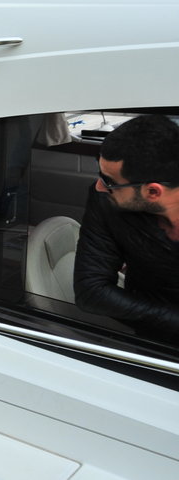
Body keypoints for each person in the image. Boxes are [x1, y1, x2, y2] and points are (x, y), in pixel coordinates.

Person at [73, 114, 179, 344]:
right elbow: (91, 291)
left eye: (109, 181)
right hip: (153, 341)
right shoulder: (105, 202)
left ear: (153, 192)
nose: (99, 186)